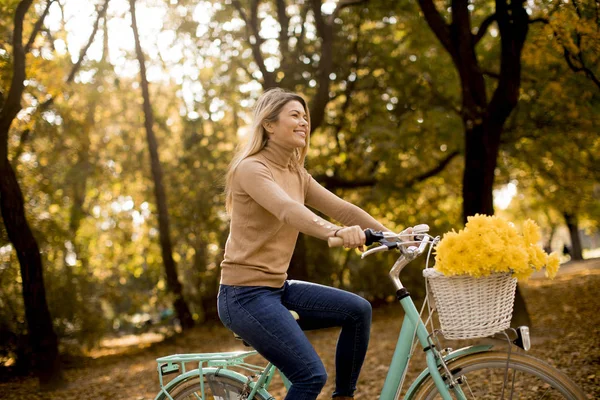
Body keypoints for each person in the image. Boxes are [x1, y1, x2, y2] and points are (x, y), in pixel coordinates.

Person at [218, 88, 394, 400]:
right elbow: (287, 210)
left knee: (358, 310)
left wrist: (396, 236)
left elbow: (344, 210)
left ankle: (344, 396)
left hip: (276, 289)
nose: (304, 123)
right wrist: (335, 233)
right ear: (270, 125)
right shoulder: (252, 168)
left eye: (305, 117)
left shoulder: (297, 173)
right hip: (243, 295)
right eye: (295, 116)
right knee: (310, 376)